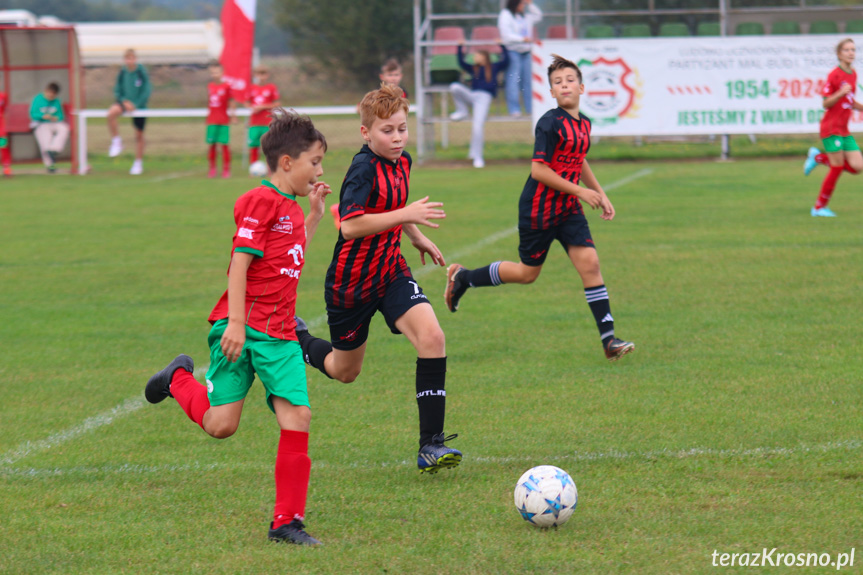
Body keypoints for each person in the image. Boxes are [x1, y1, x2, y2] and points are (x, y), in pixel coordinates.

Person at [144, 109, 332, 546]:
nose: (320, 170)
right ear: (287, 162)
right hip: (242, 328)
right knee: (220, 425)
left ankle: (286, 522)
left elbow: (290, 255)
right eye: (314, 161)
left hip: (280, 334)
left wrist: (316, 214)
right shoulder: (260, 200)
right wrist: (235, 323)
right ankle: (177, 378)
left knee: (298, 416)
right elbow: (240, 263)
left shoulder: (291, 207)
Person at [296, 83, 463, 475]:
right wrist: (407, 216)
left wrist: (416, 235)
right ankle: (300, 338)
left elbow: (392, 208)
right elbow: (352, 224)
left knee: (432, 337)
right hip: (350, 284)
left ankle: (431, 446)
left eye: (402, 128)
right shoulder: (362, 169)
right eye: (387, 131)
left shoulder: (402, 163)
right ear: (366, 133)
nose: (397, 137)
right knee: (344, 371)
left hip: (390, 271)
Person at [444, 54, 634, 363]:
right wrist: (581, 192)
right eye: (557, 82)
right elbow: (539, 171)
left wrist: (600, 192)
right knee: (526, 274)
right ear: (552, 92)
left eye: (570, 80)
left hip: (568, 209)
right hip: (539, 210)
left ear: (582, 88)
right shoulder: (549, 122)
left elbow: (578, 158)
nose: (565, 85)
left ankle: (609, 340)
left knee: (591, 264)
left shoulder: (584, 123)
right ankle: (464, 277)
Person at [803, 38, 863, 217]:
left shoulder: (853, 74)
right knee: (837, 167)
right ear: (839, 54)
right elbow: (826, 103)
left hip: (844, 129)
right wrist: (839, 93)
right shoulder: (834, 75)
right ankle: (819, 207)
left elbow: (849, 101)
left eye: (853, 49)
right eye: (846, 50)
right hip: (831, 128)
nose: (851, 53)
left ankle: (818, 157)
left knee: (857, 167)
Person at [449, 42, 509, 168]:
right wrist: (460, 47)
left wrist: (501, 45)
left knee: (477, 126)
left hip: (484, 98)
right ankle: (462, 111)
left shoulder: (494, 67)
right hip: (472, 95)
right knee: (454, 87)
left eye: (477, 55)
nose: (475, 57)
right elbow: (461, 63)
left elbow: (506, 61)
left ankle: (477, 157)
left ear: (484, 56)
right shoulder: (474, 68)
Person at [107, 48, 151, 175]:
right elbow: (117, 90)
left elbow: (146, 90)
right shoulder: (122, 72)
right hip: (125, 103)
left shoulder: (141, 72)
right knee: (111, 113)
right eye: (127, 58)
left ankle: (138, 163)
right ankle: (116, 141)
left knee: (139, 135)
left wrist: (136, 104)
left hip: (139, 106)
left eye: (131, 58)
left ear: (135, 59)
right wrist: (124, 100)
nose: (129, 61)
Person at [498, 0, 542, 117]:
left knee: (528, 81)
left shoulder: (525, 16)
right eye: (521, 4)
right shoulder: (505, 15)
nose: (523, 6)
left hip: (526, 52)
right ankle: (514, 109)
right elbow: (506, 35)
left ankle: (530, 109)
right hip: (513, 51)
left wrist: (530, 4)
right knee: (513, 81)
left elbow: (538, 16)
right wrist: (522, 39)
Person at [29, 82, 69, 174]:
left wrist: (57, 117)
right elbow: (32, 114)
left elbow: (61, 115)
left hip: (53, 123)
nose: (50, 96)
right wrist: (42, 116)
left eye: (53, 94)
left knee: (64, 128)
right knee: (45, 143)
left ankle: (55, 149)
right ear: (46, 91)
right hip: (41, 124)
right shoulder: (38, 99)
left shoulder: (57, 101)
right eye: (49, 93)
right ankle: (50, 165)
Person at [245, 65, 281, 166]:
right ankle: (253, 168)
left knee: (269, 146)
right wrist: (252, 107)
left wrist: (262, 107)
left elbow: (277, 104)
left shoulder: (271, 87)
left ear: (267, 75)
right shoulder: (252, 88)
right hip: (254, 122)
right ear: (255, 75)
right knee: (253, 146)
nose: (261, 77)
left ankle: (271, 169)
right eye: (259, 74)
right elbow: (246, 102)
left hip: (267, 122)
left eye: (263, 74)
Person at [206, 62, 237, 178]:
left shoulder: (227, 86)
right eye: (213, 72)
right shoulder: (210, 86)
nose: (215, 74)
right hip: (211, 121)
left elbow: (232, 102)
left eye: (217, 72)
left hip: (223, 120)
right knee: (212, 146)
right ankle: (212, 169)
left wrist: (233, 116)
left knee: (224, 146)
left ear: (222, 73)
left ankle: (226, 169)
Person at [0, 90, 10, 177]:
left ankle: (6, 167)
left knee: (3, 145)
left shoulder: (3, 96)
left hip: (1, 125)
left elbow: (3, 109)